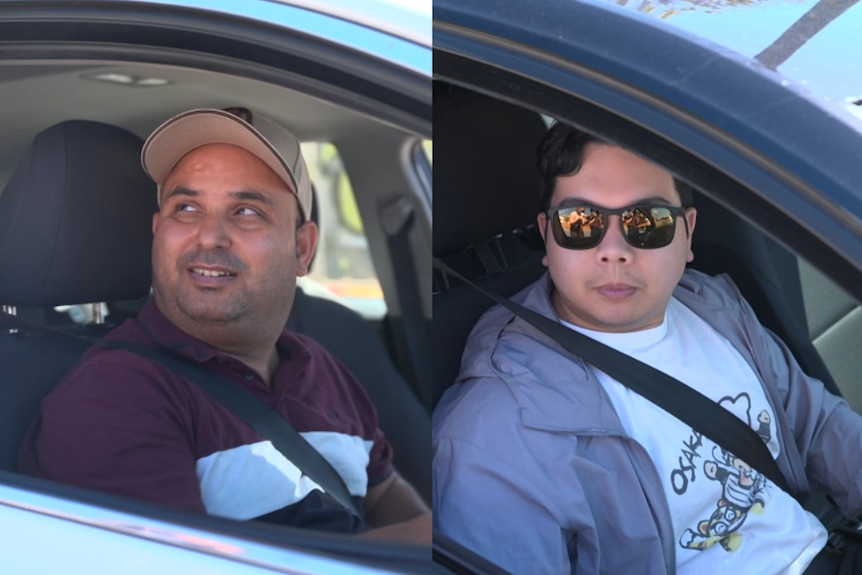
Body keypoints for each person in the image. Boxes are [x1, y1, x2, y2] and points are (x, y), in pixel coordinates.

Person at [432, 121, 862, 573]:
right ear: (547, 235)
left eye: (648, 222)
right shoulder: (491, 436)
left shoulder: (715, 307)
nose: (613, 251)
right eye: (580, 223)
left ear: (688, 233)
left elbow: (818, 429)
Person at [19, 108, 430, 544]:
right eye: (187, 207)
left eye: (247, 211)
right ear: (158, 232)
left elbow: (383, 493)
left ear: (302, 248)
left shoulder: (320, 364)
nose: (209, 235)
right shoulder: (113, 393)